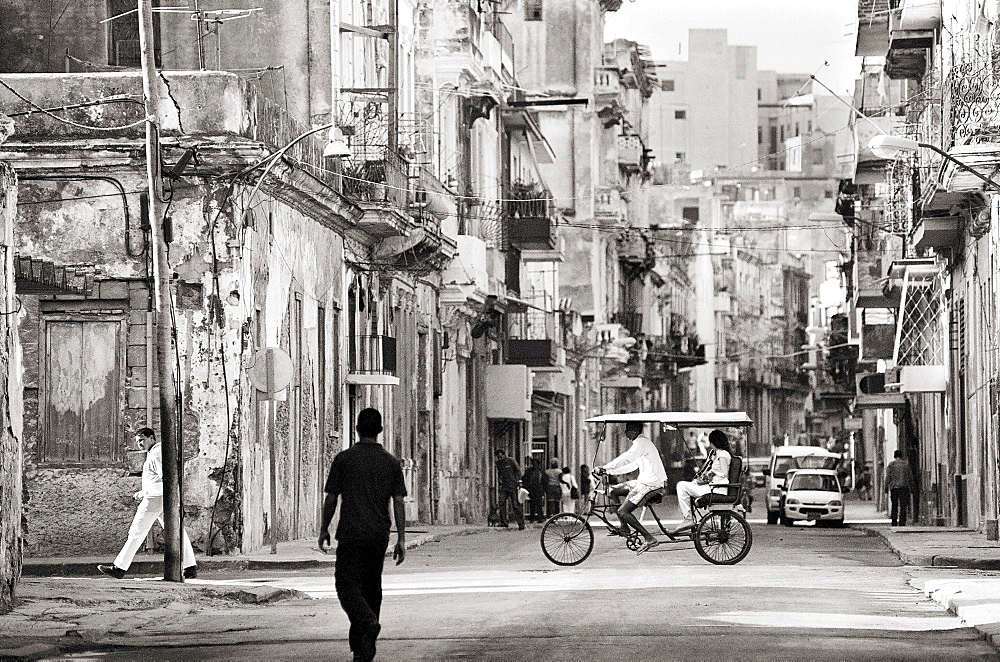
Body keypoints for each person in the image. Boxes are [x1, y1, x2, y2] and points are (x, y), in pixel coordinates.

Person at [319, 408, 407, 662]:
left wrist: (324, 528)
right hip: (379, 534)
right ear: (379, 430)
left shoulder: (344, 459)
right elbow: (399, 501)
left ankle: (367, 625)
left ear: (356, 429)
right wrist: (401, 538)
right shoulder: (390, 462)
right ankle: (364, 648)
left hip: (351, 533)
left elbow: (332, 497)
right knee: (371, 587)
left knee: (346, 584)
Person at [98, 428, 197, 580]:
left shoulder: (157, 454)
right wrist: (143, 492)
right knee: (178, 532)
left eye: (142, 440)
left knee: (136, 533)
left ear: (152, 438)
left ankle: (119, 568)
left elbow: (166, 478)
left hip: (154, 500)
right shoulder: (156, 452)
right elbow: (159, 480)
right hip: (162, 498)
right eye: (137, 441)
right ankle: (190, 568)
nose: (139, 444)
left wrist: (148, 494)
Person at [595, 421, 668, 555]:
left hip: (650, 484)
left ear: (633, 431)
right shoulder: (640, 444)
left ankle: (648, 537)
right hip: (643, 481)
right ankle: (624, 527)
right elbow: (632, 466)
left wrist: (605, 467)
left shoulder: (641, 443)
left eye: (627, 430)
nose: (625, 433)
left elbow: (627, 459)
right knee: (612, 491)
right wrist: (608, 472)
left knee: (623, 511)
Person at [673, 430, 733, 533]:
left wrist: (711, 473)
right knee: (693, 483)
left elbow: (724, 473)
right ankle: (689, 516)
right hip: (714, 486)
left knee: (681, 485)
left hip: (717, 489)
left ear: (713, 442)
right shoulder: (718, 454)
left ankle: (688, 518)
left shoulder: (723, 454)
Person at [493, 449, 525, 530]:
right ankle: (504, 522)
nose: (500, 458)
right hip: (504, 486)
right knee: (501, 502)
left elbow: (518, 471)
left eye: (501, 456)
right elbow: (499, 474)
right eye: (498, 457)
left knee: (515, 505)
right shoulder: (498, 463)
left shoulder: (511, 461)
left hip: (513, 486)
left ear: (504, 455)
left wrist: (520, 481)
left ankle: (521, 524)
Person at [885, 450, 915, 526]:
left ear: (894, 456)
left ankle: (894, 522)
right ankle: (902, 522)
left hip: (894, 488)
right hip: (903, 488)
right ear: (901, 455)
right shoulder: (906, 465)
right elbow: (910, 477)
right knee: (903, 506)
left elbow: (888, 477)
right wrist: (912, 488)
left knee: (894, 505)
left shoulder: (891, 465)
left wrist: (886, 488)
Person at [523, 458, 545, 523]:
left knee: (538, 504)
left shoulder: (540, 471)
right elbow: (525, 479)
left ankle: (539, 517)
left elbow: (544, 480)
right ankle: (533, 517)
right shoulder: (531, 471)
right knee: (533, 504)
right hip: (532, 489)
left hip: (538, 489)